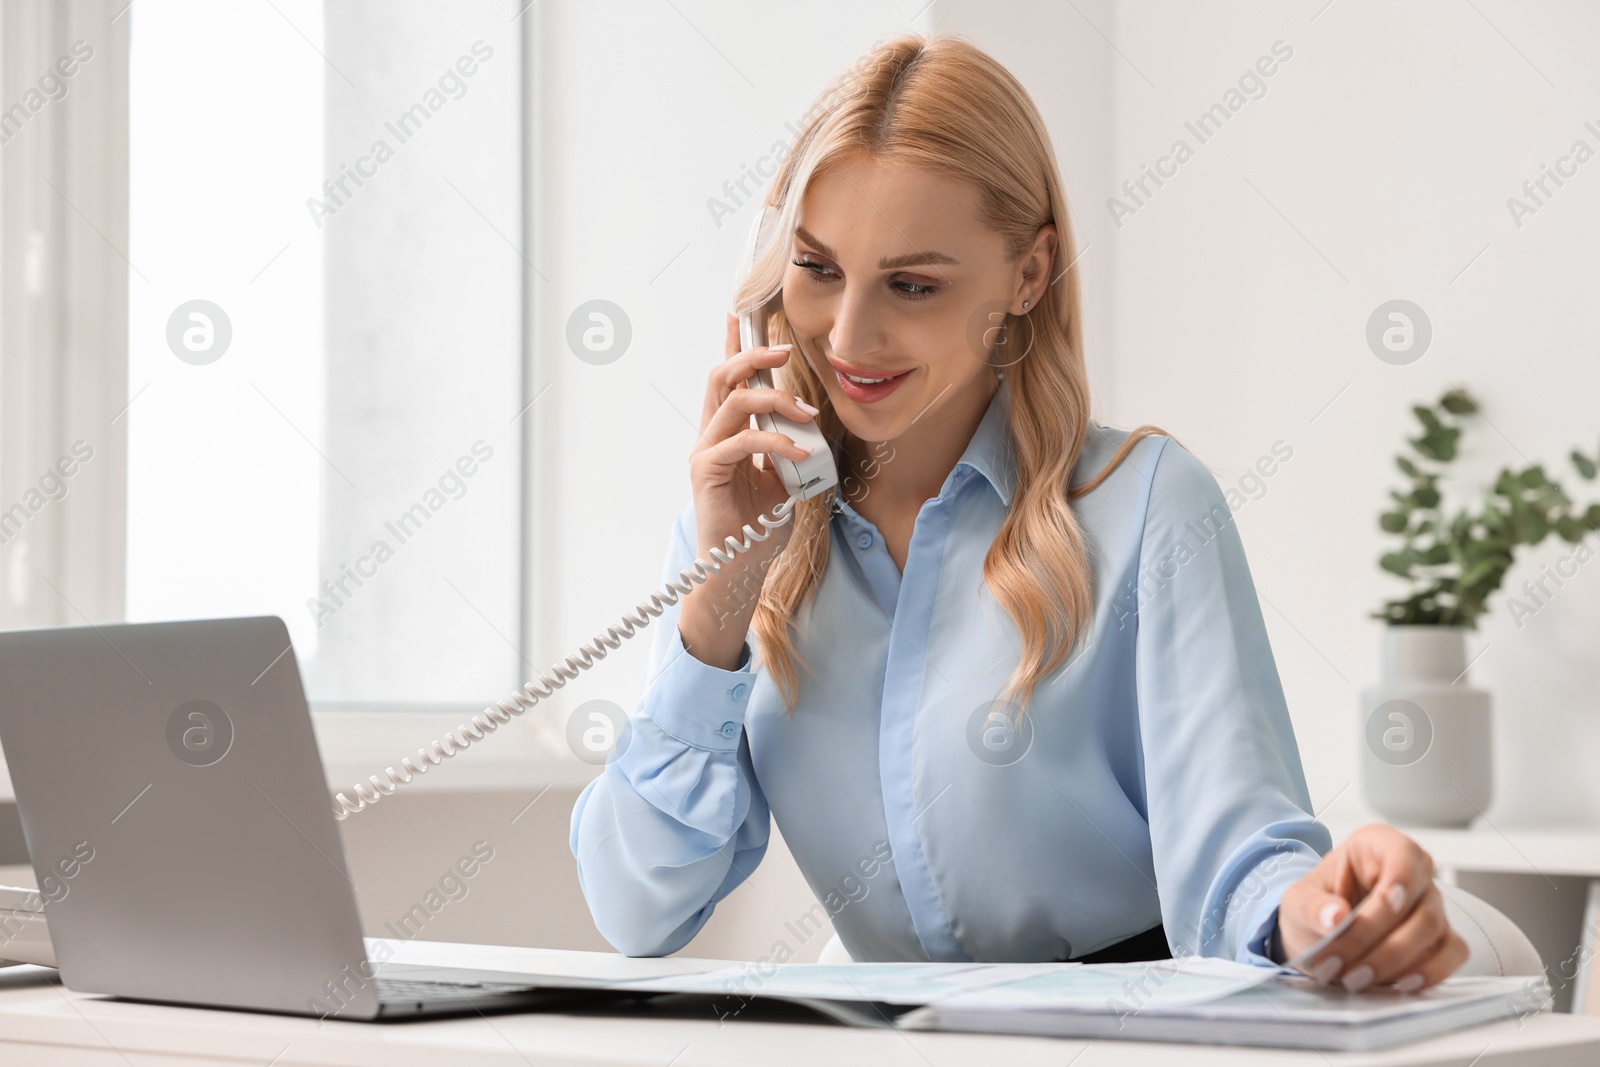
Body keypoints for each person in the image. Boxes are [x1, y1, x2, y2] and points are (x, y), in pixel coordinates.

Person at [570, 33, 1467, 994]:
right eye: (818, 268)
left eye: (913, 284)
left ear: (1028, 275)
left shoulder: (1146, 508)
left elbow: (1239, 853)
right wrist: (715, 611)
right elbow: (638, 910)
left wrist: (1320, 911)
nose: (848, 333)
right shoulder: (749, 526)